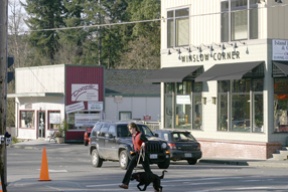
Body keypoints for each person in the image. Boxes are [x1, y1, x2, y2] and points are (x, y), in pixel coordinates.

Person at [119, 122, 152, 189]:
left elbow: (147, 141)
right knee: (129, 168)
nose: (130, 130)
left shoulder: (140, 135)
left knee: (148, 171)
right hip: (136, 154)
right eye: (129, 129)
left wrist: (144, 144)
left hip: (142, 154)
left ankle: (156, 184)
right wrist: (132, 153)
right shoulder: (133, 136)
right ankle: (125, 184)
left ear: (134, 128)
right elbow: (134, 147)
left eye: (131, 129)